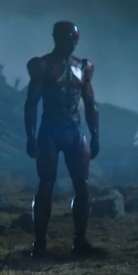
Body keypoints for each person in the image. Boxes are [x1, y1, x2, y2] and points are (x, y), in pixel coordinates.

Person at [24, 21, 101, 257]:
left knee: (82, 186)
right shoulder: (42, 66)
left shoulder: (83, 67)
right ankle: (39, 244)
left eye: (74, 39)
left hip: (75, 130)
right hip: (50, 130)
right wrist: (30, 136)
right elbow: (31, 103)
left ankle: (80, 242)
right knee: (45, 186)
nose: (72, 43)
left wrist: (95, 135)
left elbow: (90, 104)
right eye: (67, 38)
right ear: (57, 38)